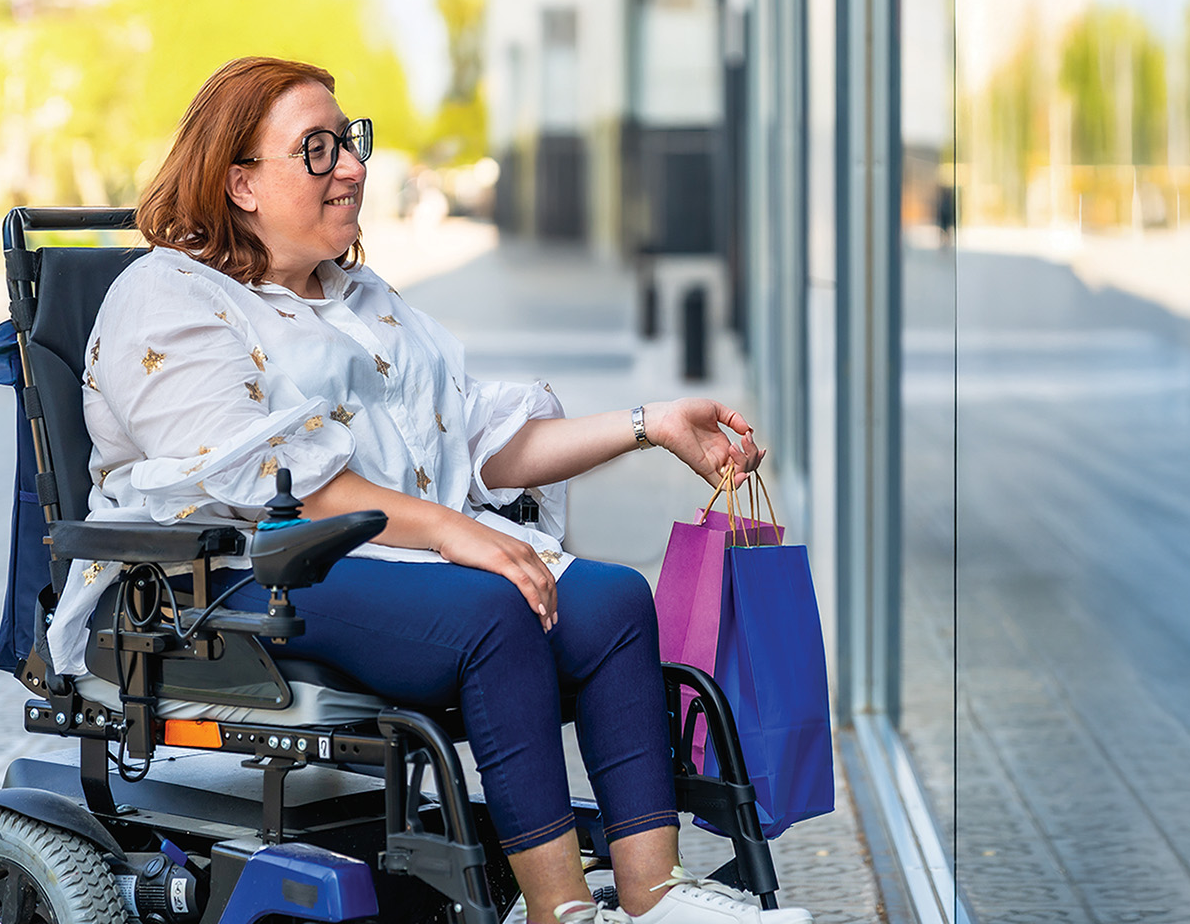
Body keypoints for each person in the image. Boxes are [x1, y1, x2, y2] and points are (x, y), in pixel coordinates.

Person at [47, 57, 809, 924]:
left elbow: (479, 440)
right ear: (241, 182)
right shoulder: (169, 297)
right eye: (319, 149)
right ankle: (562, 911)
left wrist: (649, 422)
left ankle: (653, 897)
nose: (354, 167)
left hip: (381, 554)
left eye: (350, 140)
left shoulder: (358, 298)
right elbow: (264, 477)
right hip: (234, 577)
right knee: (494, 611)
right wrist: (453, 532)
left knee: (610, 603)